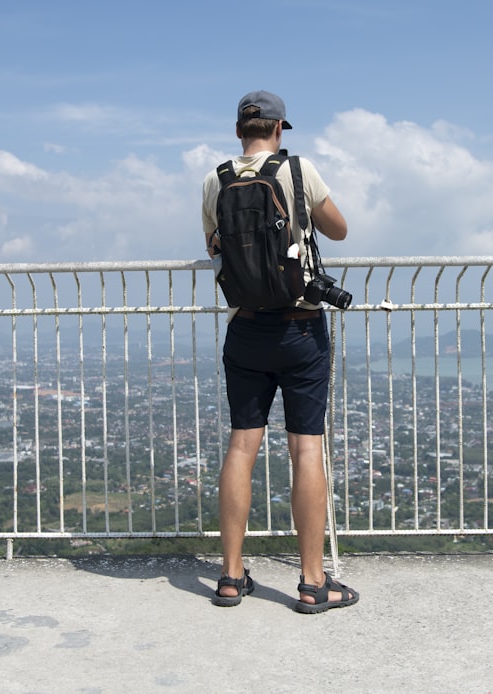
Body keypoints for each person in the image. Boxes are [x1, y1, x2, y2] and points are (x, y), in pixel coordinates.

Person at [201, 90, 359, 613]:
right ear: (279, 128)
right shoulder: (297, 170)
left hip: (245, 329)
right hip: (300, 328)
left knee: (241, 446)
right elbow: (338, 228)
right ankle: (313, 582)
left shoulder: (216, 179)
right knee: (305, 448)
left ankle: (229, 576)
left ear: (239, 130)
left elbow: (214, 247)